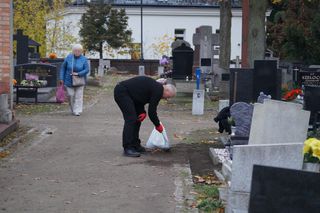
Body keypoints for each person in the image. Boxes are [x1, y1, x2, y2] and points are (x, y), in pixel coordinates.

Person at [114, 76, 177, 157]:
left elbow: (139, 98)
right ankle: (128, 147)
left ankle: (135, 145)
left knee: (137, 119)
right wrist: (157, 125)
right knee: (131, 119)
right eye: (169, 97)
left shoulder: (156, 88)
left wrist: (142, 112)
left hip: (129, 94)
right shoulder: (158, 90)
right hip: (122, 92)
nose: (167, 99)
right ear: (167, 90)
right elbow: (152, 112)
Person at [60, 44, 89, 116]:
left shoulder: (84, 59)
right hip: (68, 80)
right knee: (71, 95)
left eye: (79, 51)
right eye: (75, 50)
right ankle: (73, 109)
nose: (77, 52)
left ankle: (77, 110)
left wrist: (78, 73)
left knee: (79, 96)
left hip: (80, 81)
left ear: (81, 51)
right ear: (73, 51)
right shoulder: (68, 57)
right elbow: (63, 68)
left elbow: (87, 69)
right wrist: (61, 78)